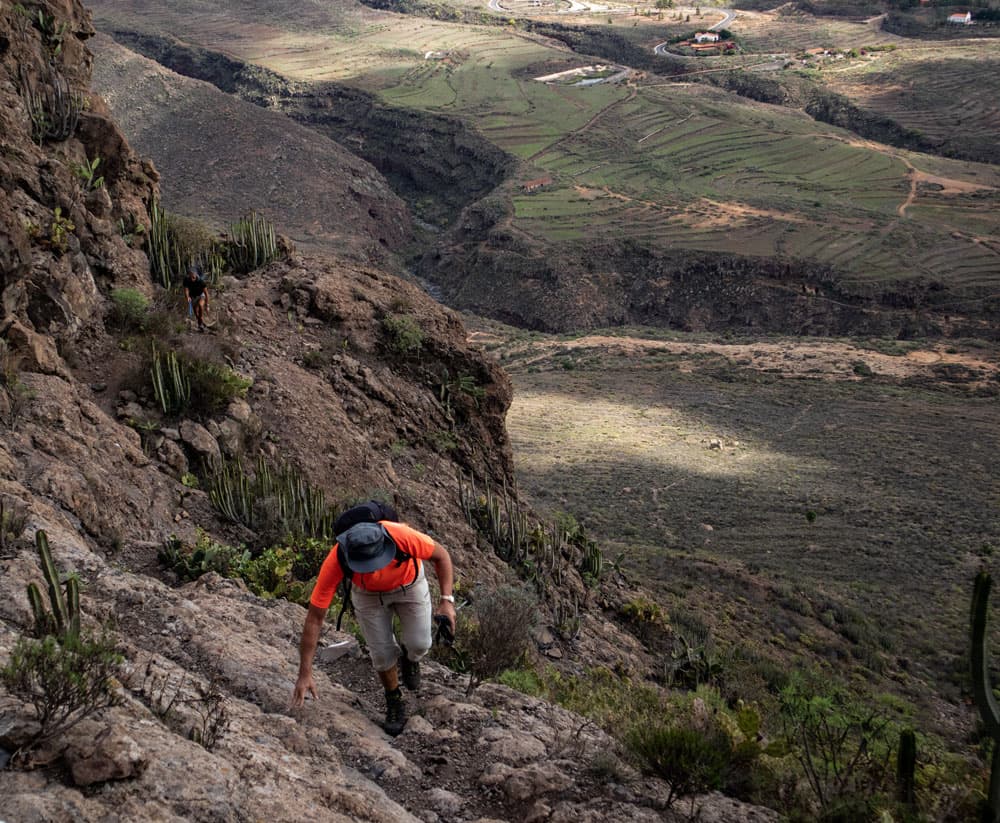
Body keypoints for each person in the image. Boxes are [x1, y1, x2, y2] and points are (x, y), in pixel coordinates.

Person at [291, 516, 457, 735]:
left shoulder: (402, 537)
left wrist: (446, 601)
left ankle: (410, 658)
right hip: (366, 595)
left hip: (409, 584)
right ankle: (393, 699)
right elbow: (314, 618)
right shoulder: (338, 558)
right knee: (381, 653)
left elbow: (442, 556)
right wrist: (304, 673)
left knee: (420, 643)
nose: (372, 570)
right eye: (363, 566)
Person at [183, 266, 209, 331]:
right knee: (196, 313)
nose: (191, 278)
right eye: (190, 276)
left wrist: (207, 305)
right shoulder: (186, 280)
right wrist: (187, 297)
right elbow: (186, 290)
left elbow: (206, 293)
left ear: (196, 274)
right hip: (193, 296)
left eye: (193, 276)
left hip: (201, 295)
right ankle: (200, 323)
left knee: (200, 305)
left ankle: (201, 319)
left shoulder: (201, 281)